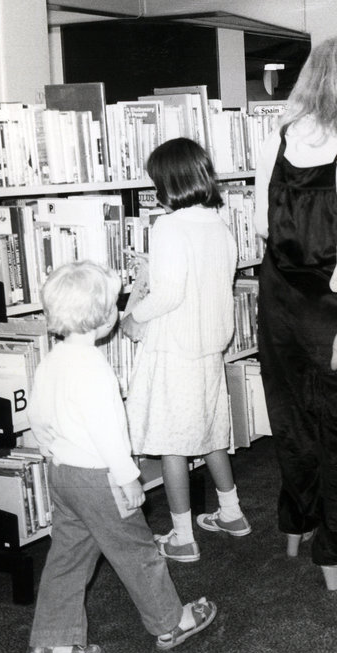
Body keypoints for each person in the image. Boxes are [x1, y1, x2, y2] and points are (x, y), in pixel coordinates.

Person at [25, 261, 216, 653]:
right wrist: (129, 477)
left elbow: (38, 417)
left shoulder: (50, 361)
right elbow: (108, 432)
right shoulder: (94, 369)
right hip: (101, 478)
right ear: (106, 316)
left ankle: (53, 641)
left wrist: (50, 450)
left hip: (62, 473)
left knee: (67, 555)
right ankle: (171, 621)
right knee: (137, 551)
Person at [252, 34, 337, 591]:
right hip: (333, 305)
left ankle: (299, 525)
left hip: (279, 298)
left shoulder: (275, 140)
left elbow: (263, 226)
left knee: (293, 419)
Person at [121, 137, 248, 564]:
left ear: (170, 179)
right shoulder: (219, 222)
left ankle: (182, 537)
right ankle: (231, 514)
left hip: (176, 347)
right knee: (211, 430)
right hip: (210, 345)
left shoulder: (169, 226)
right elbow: (205, 283)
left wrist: (135, 316)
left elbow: (170, 295)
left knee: (173, 441)